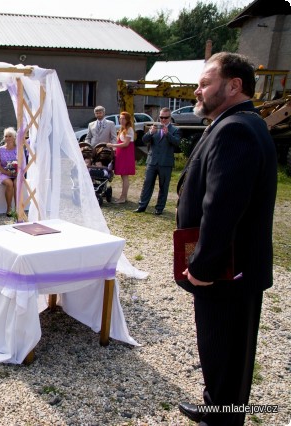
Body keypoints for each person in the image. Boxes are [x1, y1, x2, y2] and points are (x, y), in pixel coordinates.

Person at [175, 52, 277, 426]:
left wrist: (202, 265)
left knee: (227, 352)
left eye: (205, 83)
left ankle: (222, 420)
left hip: (227, 271)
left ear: (234, 86)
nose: (197, 91)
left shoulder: (237, 129)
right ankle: (216, 405)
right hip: (229, 268)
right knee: (220, 350)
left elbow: (223, 208)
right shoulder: (236, 122)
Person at [135, 107, 181, 215]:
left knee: (163, 186)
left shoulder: (175, 130)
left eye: (166, 118)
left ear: (170, 118)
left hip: (165, 162)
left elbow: (177, 143)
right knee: (147, 184)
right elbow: (144, 140)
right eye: (161, 117)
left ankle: (159, 208)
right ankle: (142, 206)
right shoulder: (154, 128)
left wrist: (168, 134)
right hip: (152, 161)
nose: (163, 120)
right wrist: (150, 133)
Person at [107, 111, 135, 203]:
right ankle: (123, 196)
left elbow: (126, 144)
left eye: (123, 118)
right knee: (123, 176)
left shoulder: (129, 129)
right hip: (121, 154)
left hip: (126, 154)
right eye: (120, 118)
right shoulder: (122, 129)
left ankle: (123, 197)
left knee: (125, 176)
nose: (121, 120)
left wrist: (112, 145)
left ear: (127, 120)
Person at [0, 127, 19, 215]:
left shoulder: (18, 149)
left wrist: (17, 171)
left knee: (17, 184)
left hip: (17, 173)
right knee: (9, 184)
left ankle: (18, 208)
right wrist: (5, 172)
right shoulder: (0, 149)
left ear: (14, 137)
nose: (7, 138)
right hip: (4, 172)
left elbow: (23, 162)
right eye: (6, 136)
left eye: (10, 136)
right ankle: (9, 208)